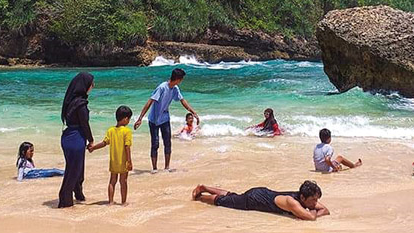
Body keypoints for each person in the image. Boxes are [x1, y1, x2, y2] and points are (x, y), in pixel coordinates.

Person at [134, 68, 200, 172]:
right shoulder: (162, 87)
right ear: (178, 79)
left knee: (167, 143)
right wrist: (140, 118)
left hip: (165, 119)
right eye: (181, 79)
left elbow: (182, 101)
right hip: (154, 120)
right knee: (155, 144)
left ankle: (167, 167)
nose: (181, 81)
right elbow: (150, 102)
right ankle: (154, 168)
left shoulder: (175, 88)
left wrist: (193, 112)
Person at [192, 180, 329, 221]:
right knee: (222, 201)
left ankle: (204, 187)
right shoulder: (292, 201)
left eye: (316, 200)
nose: (315, 203)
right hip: (254, 199)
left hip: (261, 193)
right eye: (313, 200)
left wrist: (311, 210)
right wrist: (311, 212)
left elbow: (325, 210)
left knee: (232, 196)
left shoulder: (305, 199)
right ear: (303, 197)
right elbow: (311, 218)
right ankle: (201, 197)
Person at [58, 72, 94, 208]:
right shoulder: (81, 103)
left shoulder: (70, 101)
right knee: (73, 172)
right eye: (91, 83)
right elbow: (84, 123)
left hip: (67, 136)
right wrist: (91, 140)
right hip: (76, 139)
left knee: (76, 170)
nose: (93, 86)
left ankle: (78, 195)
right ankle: (64, 201)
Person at [89, 106, 134, 205]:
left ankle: (110, 202)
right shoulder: (127, 131)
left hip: (113, 162)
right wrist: (129, 161)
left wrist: (93, 148)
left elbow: (104, 143)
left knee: (112, 181)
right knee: (123, 182)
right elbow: (127, 147)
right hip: (123, 162)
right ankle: (123, 202)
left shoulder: (111, 130)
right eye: (129, 119)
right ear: (126, 119)